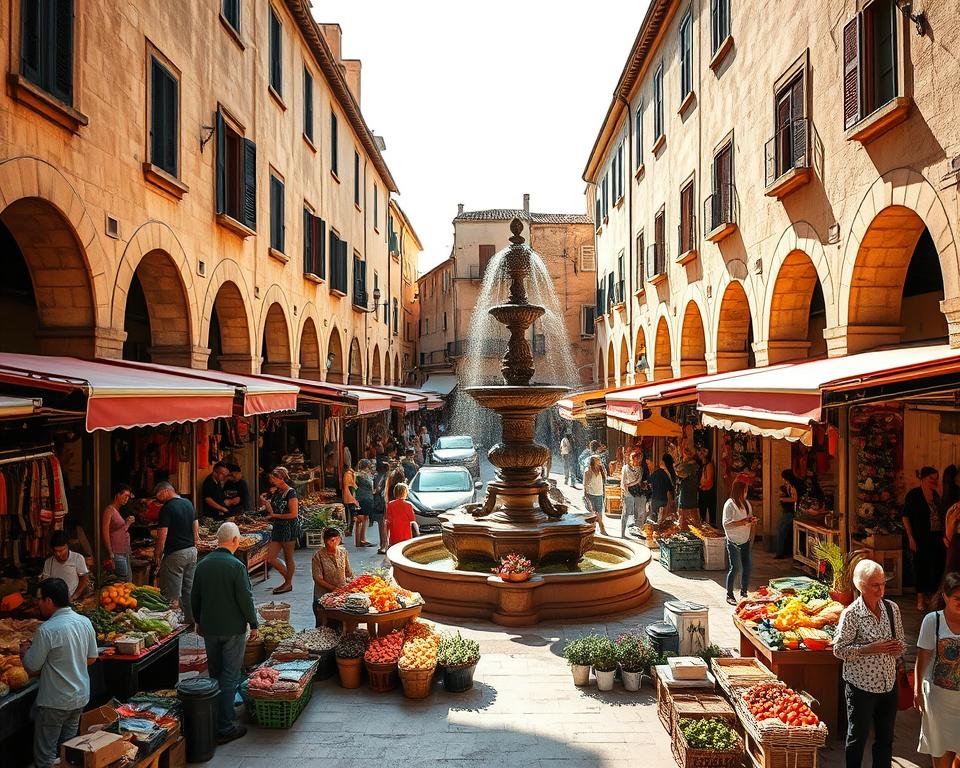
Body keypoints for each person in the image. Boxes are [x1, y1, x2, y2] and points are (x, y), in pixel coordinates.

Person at [833, 559, 906, 768]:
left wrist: (897, 648)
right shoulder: (852, 614)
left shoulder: (892, 609)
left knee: (885, 738)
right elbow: (839, 650)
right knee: (858, 737)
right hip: (860, 687)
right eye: (875, 585)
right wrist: (869, 648)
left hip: (888, 684)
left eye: (883, 584)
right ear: (861, 586)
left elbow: (901, 642)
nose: (880, 590)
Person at [190, 522, 258, 745]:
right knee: (230, 675)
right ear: (236, 540)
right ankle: (225, 726)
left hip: (209, 628)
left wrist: (198, 621)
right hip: (232, 629)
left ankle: (216, 715)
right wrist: (254, 623)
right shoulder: (236, 566)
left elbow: (194, 597)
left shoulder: (203, 564)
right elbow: (245, 598)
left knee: (216, 672)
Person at [20, 578, 98, 768]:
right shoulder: (84, 622)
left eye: (40, 599)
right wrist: (70, 663)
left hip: (55, 702)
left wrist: (23, 652)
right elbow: (91, 658)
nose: (38, 604)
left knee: (46, 757)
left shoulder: (47, 630)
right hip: (79, 697)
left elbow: (32, 667)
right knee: (68, 753)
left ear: (49, 601)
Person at [915, 571, 960, 767]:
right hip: (937, 702)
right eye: (957, 598)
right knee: (940, 751)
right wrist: (917, 691)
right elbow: (922, 657)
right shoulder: (932, 621)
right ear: (945, 597)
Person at [153, 481, 199, 624]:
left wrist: (158, 554)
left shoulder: (167, 508)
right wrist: (195, 541)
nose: (158, 500)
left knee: (171, 593)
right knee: (188, 589)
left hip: (175, 554)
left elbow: (162, 534)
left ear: (165, 491)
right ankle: (191, 621)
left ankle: (170, 626)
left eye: (158, 496)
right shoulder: (188, 503)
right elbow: (195, 524)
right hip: (191, 551)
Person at [903, 466, 947, 611]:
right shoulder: (914, 495)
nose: (934, 481)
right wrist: (910, 537)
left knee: (937, 566)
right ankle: (920, 598)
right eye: (931, 478)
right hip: (920, 537)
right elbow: (905, 517)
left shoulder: (937, 495)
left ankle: (933, 597)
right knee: (920, 566)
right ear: (922, 478)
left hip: (937, 536)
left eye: (936, 478)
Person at [260, 466, 298, 595]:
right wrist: (265, 502)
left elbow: (294, 514)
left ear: (281, 478)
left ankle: (288, 583)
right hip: (278, 527)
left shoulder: (291, 492)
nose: (272, 481)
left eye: (274, 478)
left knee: (288, 557)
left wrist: (276, 516)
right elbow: (273, 511)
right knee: (270, 557)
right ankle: (288, 580)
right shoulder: (277, 492)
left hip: (289, 528)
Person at [722, 479, 756, 605]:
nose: (746, 493)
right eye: (745, 491)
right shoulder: (730, 504)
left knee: (747, 566)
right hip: (733, 541)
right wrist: (742, 522)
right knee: (735, 567)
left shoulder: (747, 504)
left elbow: (748, 518)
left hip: (745, 539)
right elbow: (726, 524)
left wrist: (751, 521)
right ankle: (729, 594)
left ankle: (744, 592)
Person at [41, 531, 90, 604]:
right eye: (55, 551)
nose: (58, 554)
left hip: (72, 600)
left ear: (67, 546)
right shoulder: (48, 562)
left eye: (61, 550)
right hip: (55, 602)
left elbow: (84, 579)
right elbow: (46, 582)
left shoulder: (77, 558)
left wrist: (74, 596)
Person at [101, 484, 135, 580]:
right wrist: (110, 553)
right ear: (117, 495)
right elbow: (105, 532)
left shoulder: (118, 510)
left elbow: (121, 530)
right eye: (125, 496)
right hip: (116, 552)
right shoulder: (109, 510)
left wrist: (127, 523)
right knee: (123, 580)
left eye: (128, 497)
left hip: (124, 551)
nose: (126, 499)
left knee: (128, 580)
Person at [620, 451, 648, 538]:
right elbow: (623, 481)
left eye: (640, 459)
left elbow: (638, 480)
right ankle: (622, 533)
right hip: (627, 491)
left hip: (637, 491)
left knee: (640, 511)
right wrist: (625, 490)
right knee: (626, 512)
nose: (638, 460)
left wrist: (629, 484)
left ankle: (638, 531)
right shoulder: (625, 468)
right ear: (632, 458)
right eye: (637, 458)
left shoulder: (640, 468)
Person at [775, 469, 803, 559]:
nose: (783, 480)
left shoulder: (792, 486)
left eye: (784, 478)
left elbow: (795, 499)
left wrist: (783, 499)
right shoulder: (788, 486)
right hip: (788, 511)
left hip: (791, 512)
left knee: (781, 530)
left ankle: (780, 553)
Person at [675, 446, 702, 531]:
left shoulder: (687, 466)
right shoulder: (696, 465)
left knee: (683, 514)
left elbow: (677, 471)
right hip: (693, 491)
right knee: (693, 512)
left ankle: (685, 530)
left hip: (686, 491)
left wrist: (682, 461)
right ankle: (696, 530)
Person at [386, 482, 419, 547]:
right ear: (405, 493)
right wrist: (417, 532)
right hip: (406, 534)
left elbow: (388, 521)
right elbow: (412, 520)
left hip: (394, 534)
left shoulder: (390, 504)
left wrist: (386, 538)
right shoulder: (408, 505)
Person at [583, 455, 608, 535]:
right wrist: (585, 495)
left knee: (599, 512)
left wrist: (603, 469)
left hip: (599, 493)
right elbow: (585, 484)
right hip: (591, 494)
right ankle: (595, 529)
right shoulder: (588, 470)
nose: (599, 460)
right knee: (592, 513)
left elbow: (605, 479)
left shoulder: (601, 469)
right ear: (593, 461)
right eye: (597, 459)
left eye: (599, 459)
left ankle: (601, 529)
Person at [649, 454, 676, 524]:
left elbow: (649, 483)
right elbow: (671, 487)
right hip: (664, 499)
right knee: (663, 520)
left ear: (664, 462)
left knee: (655, 521)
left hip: (655, 498)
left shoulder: (657, 473)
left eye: (661, 460)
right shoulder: (670, 473)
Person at [697, 446, 716, 527]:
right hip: (702, 490)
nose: (700, 455)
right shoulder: (702, 466)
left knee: (710, 510)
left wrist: (701, 486)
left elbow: (709, 480)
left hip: (707, 491)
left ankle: (712, 525)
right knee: (702, 510)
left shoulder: (709, 465)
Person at [342, 460, 359, 538]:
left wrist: (353, 498)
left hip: (349, 497)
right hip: (350, 497)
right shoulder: (351, 473)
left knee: (350, 514)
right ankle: (350, 530)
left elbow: (350, 486)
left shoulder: (348, 474)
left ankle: (349, 530)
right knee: (352, 514)